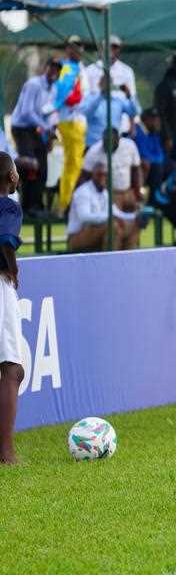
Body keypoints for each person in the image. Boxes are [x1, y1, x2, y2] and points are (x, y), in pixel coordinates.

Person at [10, 60, 60, 214]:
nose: (54, 71)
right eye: (52, 68)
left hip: (36, 129)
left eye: (57, 69)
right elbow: (27, 112)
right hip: (22, 128)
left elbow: (48, 113)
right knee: (30, 165)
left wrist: (51, 132)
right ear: (46, 68)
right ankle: (27, 205)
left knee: (43, 167)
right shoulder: (34, 84)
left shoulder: (53, 89)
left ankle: (37, 205)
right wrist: (46, 128)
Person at [0, 153, 23, 465]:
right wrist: (12, 268)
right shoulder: (8, 206)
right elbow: (5, 237)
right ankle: (5, 454)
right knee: (11, 368)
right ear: (10, 176)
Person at [81, 129, 141, 250]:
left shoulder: (129, 146)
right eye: (105, 142)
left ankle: (131, 250)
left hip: (128, 190)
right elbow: (84, 175)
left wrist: (138, 191)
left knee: (134, 224)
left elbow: (136, 170)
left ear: (118, 140)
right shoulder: (94, 151)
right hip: (110, 193)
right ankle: (114, 251)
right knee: (115, 226)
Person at [54, 36, 88, 211]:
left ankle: (69, 202)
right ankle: (66, 204)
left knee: (76, 163)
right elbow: (65, 96)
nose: (77, 50)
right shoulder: (66, 67)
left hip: (79, 120)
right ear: (67, 49)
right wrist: (75, 97)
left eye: (79, 46)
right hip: (70, 120)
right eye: (73, 46)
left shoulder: (80, 67)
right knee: (73, 164)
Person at [66, 163, 117, 252]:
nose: (102, 178)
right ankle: (110, 258)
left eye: (105, 175)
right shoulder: (83, 192)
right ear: (92, 176)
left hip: (96, 232)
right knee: (111, 226)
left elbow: (114, 212)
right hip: (76, 236)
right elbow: (84, 217)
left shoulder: (105, 193)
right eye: (99, 175)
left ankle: (124, 256)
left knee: (128, 227)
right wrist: (108, 217)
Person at [81, 76, 140, 149]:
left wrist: (129, 96)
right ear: (99, 83)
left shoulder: (118, 101)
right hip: (93, 145)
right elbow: (87, 115)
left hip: (113, 145)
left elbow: (134, 112)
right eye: (104, 82)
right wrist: (101, 95)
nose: (107, 85)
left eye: (109, 82)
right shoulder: (90, 98)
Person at [134, 108, 167, 197]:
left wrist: (157, 160)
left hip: (153, 162)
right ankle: (154, 197)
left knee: (171, 165)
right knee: (157, 167)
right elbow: (144, 155)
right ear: (146, 120)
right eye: (154, 119)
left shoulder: (154, 133)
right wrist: (157, 160)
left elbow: (160, 153)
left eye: (157, 119)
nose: (157, 122)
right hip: (142, 165)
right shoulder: (138, 132)